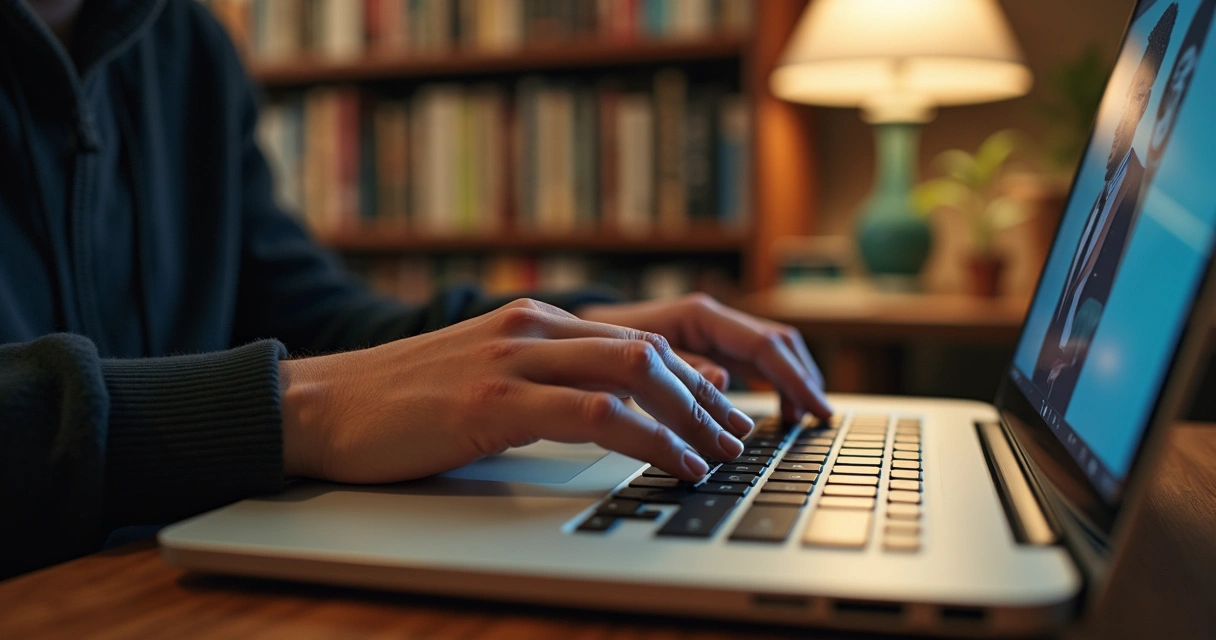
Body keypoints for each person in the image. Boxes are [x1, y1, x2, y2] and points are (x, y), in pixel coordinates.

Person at [0, 0, 831, 579]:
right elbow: (326, 386)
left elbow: (313, 315)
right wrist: (297, 409)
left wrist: (568, 334)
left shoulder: (184, 42)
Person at [1033, 3, 1178, 409]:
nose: (1119, 122)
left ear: (1146, 105)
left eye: (1137, 97)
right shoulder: (1101, 194)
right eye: (1124, 98)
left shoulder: (1140, 195)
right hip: (1048, 384)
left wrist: (1072, 359)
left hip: (1081, 388)